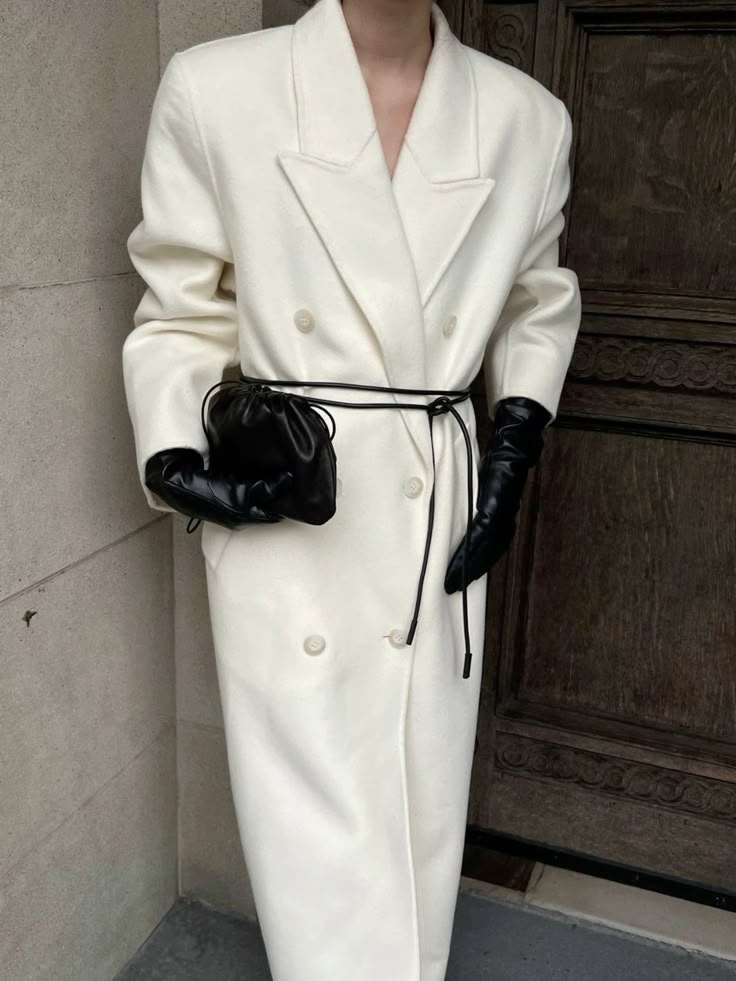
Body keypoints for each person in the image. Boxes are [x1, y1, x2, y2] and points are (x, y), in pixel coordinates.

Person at [121, 0, 582, 978]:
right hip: (290, 501)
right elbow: (178, 310)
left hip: (432, 500)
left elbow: (535, 303)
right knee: (310, 810)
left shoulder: (527, 119)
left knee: (418, 786)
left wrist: (512, 442)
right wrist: (177, 456)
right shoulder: (215, 89)